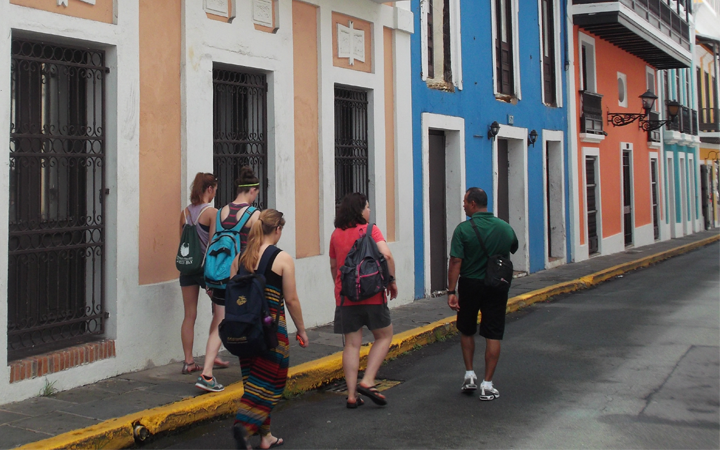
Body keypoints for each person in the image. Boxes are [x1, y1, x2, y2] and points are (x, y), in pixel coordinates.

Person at [231, 209, 309, 450]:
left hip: (244, 331)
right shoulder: (282, 258)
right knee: (272, 381)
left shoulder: (240, 258)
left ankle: (266, 437)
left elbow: (232, 292)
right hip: (271, 332)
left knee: (254, 380)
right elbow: (292, 299)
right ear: (277, 230)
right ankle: (244, 427)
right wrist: (302, 329)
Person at [447, 187, 518, 401]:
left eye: (465, 202)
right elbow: (513, 247)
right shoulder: (505, 227)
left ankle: (470, 374)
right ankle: (487, 384)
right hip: (496, 285)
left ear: (473, 204)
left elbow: (456, 261)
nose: (463, 205)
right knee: (493, 333)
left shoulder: (463, 230)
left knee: (467, 329)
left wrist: (451, 290)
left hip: (470, 285)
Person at [329, 192, 398, 409]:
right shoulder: (370, 229)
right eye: (367, 207)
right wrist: (391, 280)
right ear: (359, 211)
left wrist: (339, 285)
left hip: (346, 296)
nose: (369, 211)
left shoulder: (336, 234)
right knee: (384, 335)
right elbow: (386, 256)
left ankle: (351, 395)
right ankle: (368, 380)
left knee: (351, 344)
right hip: (372, 294)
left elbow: (333, 266)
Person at [195, 166, 261, 392]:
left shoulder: (220, 211)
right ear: (253, 191)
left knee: (220, 324)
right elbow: (259, 250)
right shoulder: (254, 215)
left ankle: (206, 374)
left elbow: (212, 244)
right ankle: (254, 372)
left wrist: (208, 280)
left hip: (219, 278)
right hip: (242, 279)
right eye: (256, 193)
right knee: (250, 321)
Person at [178, 173, 230, 374]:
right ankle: (212, 354)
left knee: (189, 314)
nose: (215, 192)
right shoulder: (211, 212)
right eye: (215, 189)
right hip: (205, 269)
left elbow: (181, 243)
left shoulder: (184, 213)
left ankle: (188, 361)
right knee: (219, 313)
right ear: (209, 189)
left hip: (187, 267)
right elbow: (213, 246)